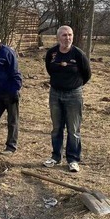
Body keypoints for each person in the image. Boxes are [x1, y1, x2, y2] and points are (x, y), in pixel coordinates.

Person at [43, 26, 91, 172]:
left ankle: (73, 159)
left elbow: (87, 74)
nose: (67, 38)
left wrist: (74, 85)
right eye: (64, 35)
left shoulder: (78, 54)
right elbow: (49, 70)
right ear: (58, 37)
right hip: (55, 94)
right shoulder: (52, 53)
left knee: (73, 129)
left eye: (70, 35)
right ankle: (56, 156)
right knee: (57, 128)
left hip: (74, 95)